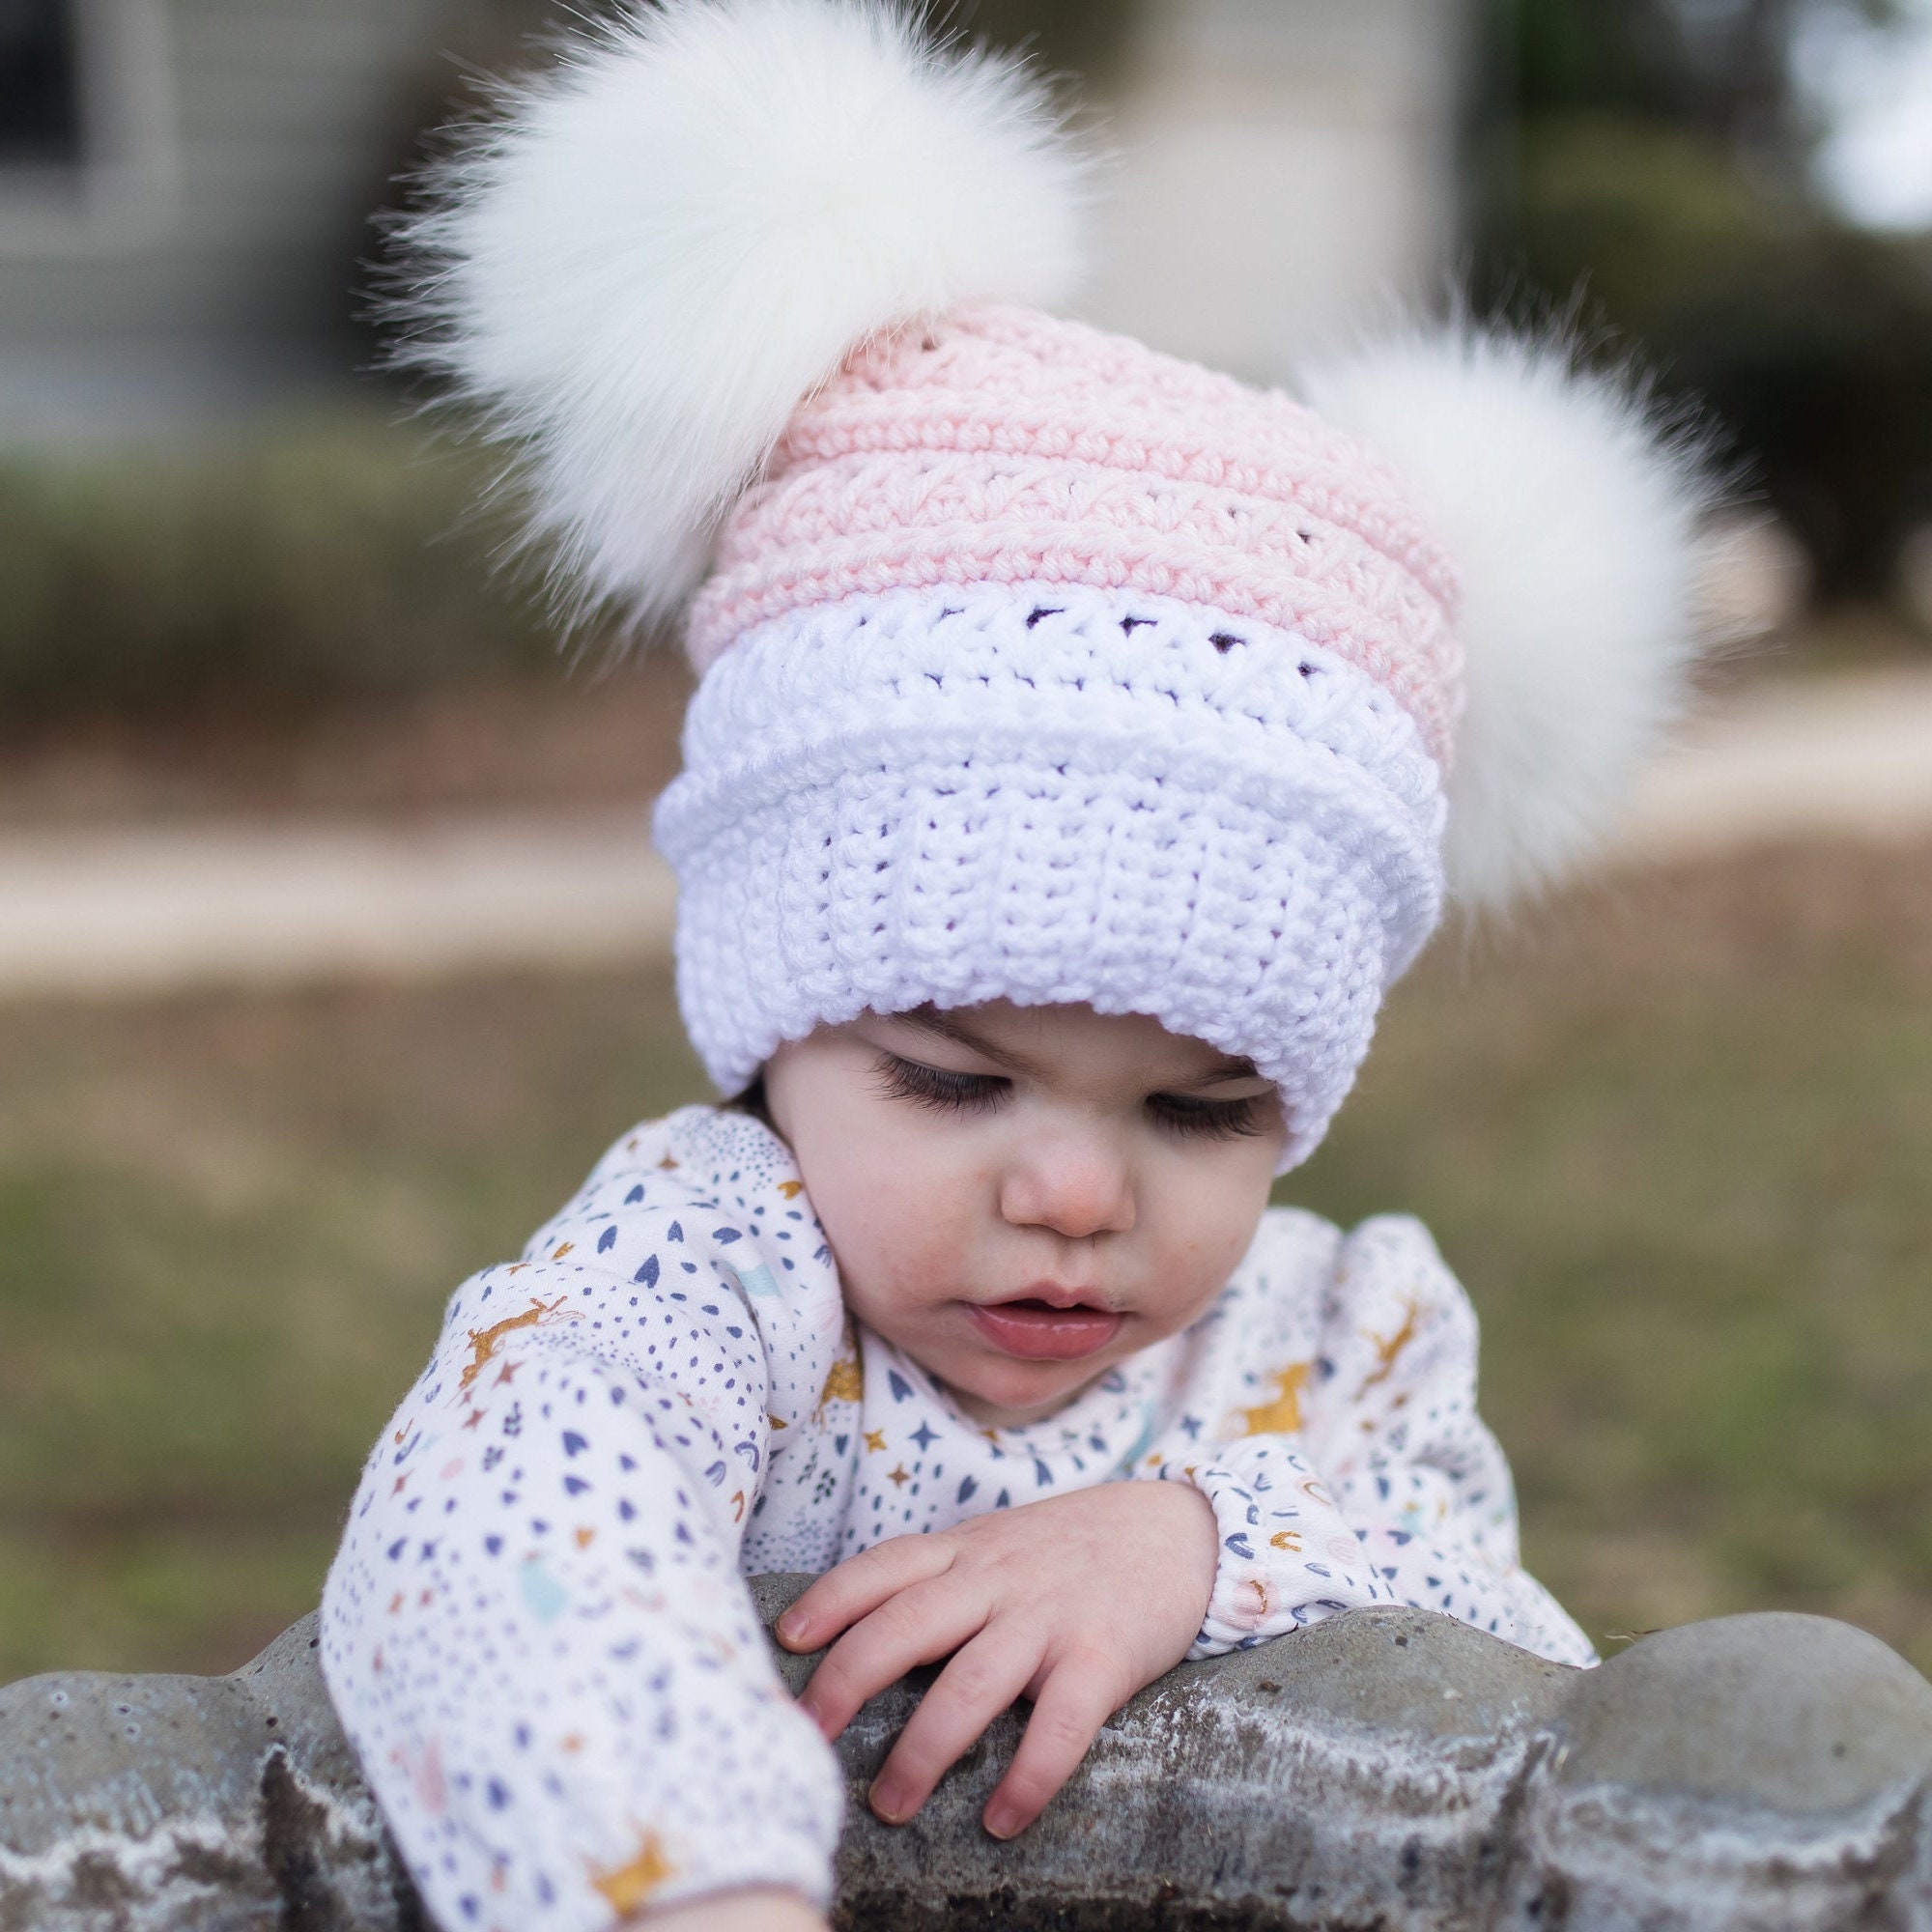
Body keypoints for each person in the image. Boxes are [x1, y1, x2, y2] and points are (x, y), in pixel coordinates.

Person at [320, 3, 1717, 1927]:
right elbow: (500, 1542)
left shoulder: (1334, 1343)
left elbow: (1508, 1644)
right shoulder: (708, 1272)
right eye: (954, 1077)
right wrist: (685, 1880)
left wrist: (1193, 1544)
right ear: (778, 1025)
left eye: (1203, 1106)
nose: (1072, 1189)